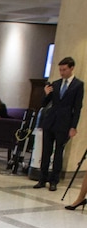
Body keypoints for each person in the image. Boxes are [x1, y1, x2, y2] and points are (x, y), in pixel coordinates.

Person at [34, 56, 84, 192]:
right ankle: (42, 178)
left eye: (64, 70)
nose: (62, 72)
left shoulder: (78, 85)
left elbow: (77, 107)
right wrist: (46, 94)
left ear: (71, 68)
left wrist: (73, 126)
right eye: (60, 70)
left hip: (64, 123)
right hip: (50, 121)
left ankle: (54, 180)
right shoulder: (55, 84)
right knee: (46, 151)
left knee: (58, 153)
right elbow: (44, 104)